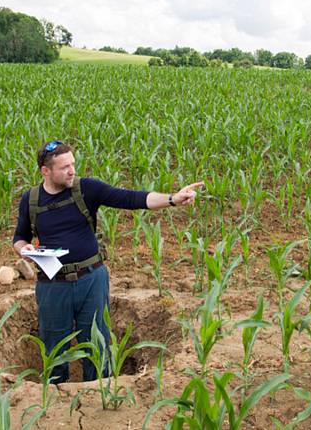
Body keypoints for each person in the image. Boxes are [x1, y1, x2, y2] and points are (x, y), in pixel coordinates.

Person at [12, 140, 203, 383]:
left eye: (73, 164)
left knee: (97, 343)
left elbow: (131, 199)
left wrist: (173, 199)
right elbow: (19, 237)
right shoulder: (31, 200)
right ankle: (54, 399)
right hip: (52, 284)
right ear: (45, 171)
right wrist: (23, 250)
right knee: (54, 345)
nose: (72, 170)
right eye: (64, 167)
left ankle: (99, 393)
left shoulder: (86, 189)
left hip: (91, 279)